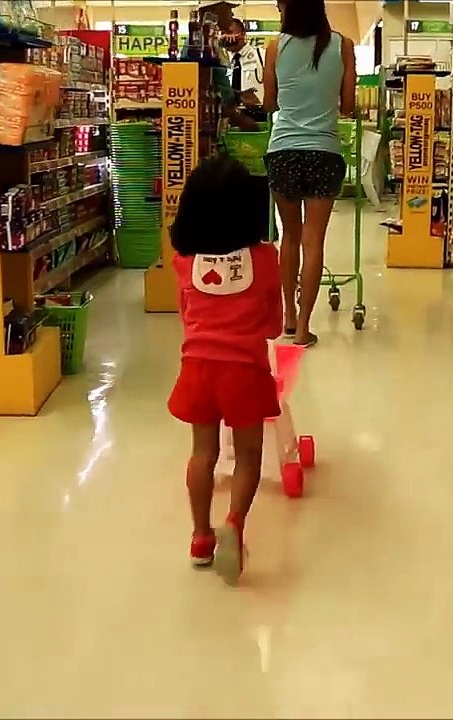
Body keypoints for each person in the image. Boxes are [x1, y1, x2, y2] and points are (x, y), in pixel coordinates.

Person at [168, 155, 283, 585]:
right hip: (245, 373)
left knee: (203, 453)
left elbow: (186, 316)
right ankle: (234, 522)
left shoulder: (185, 263)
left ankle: (200, 537)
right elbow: (273, 324)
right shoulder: (266, 259)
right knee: (248, 454)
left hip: (197, 368)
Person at [263, 0, 356, 348]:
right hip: (324, 151)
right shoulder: (343, 45)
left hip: (283, 149)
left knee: (289, 236)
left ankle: (287, 318)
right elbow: (347, 106)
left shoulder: (275, 47)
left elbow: (270, 103)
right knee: (313, 240)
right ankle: (303, 328)